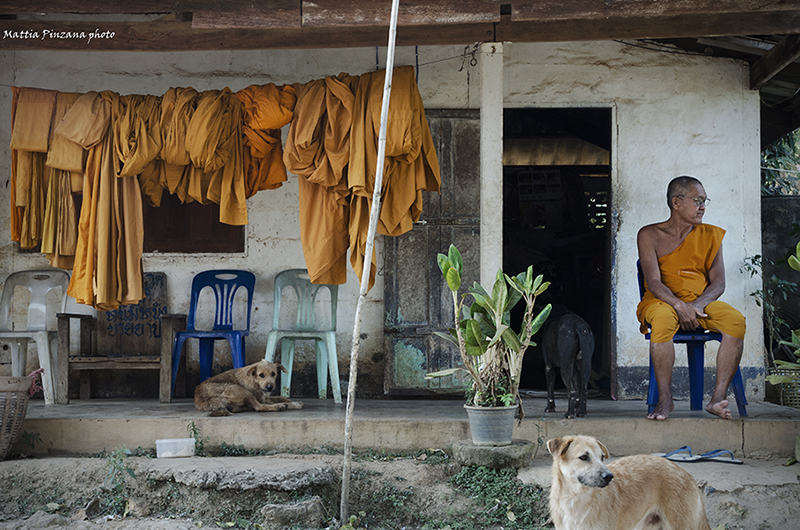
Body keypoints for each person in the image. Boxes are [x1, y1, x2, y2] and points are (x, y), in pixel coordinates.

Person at [636, 176, 745, 420]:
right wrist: (678, 305)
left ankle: (717, 398)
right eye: (697, 200)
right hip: (661, 301)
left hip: (701, 302)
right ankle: (665, 398)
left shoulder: (710, 235)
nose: (703, 206)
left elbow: (719, 283)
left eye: (705, 201)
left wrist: (695, 306)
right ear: (676, 202)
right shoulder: (649, 234)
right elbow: (653, 281)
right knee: (663, 320)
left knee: (735, 321)